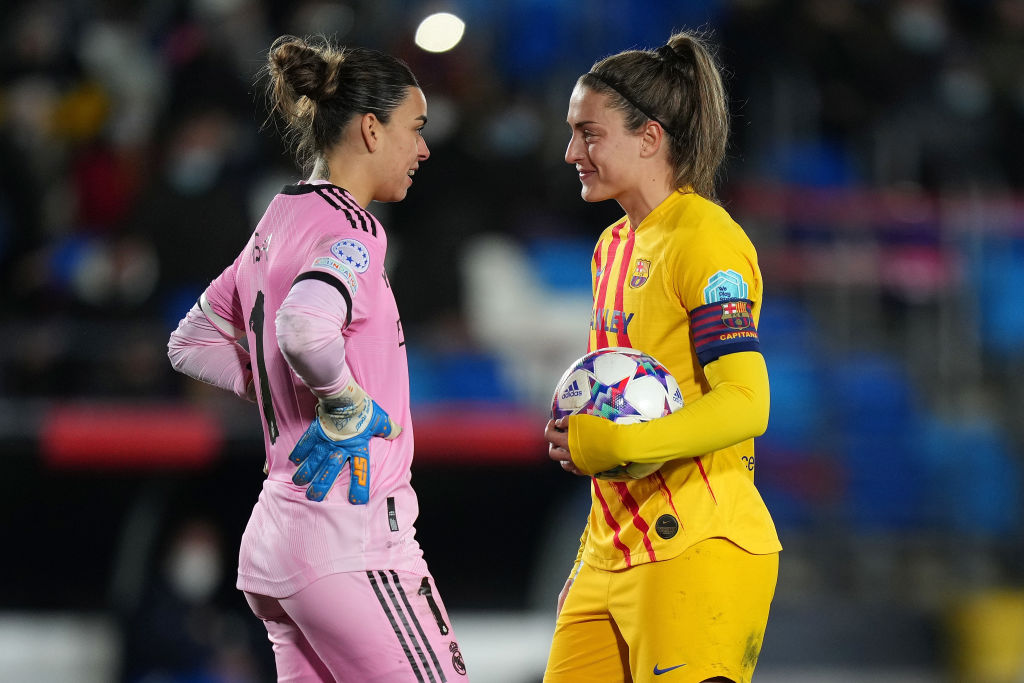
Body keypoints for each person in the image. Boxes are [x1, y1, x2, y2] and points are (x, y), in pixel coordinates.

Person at [167, 35, 468, 682]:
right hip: (351, 538)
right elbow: (304, 329)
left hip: (279, 537)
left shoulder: (277, 219)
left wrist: (288, 390)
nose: (423, 149)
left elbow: (189, 342)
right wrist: (342, 400)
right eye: (415, 128)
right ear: (371, 129)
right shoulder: (353, 227)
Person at [543, 29, 782, 683]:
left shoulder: (706, 240)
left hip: (697, 545)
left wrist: (622, 442)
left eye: (589, 134)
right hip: (609, 552)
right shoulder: (611, 247)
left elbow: (747, 403)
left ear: (649, 137)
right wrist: (588, 559)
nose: (571, 152)